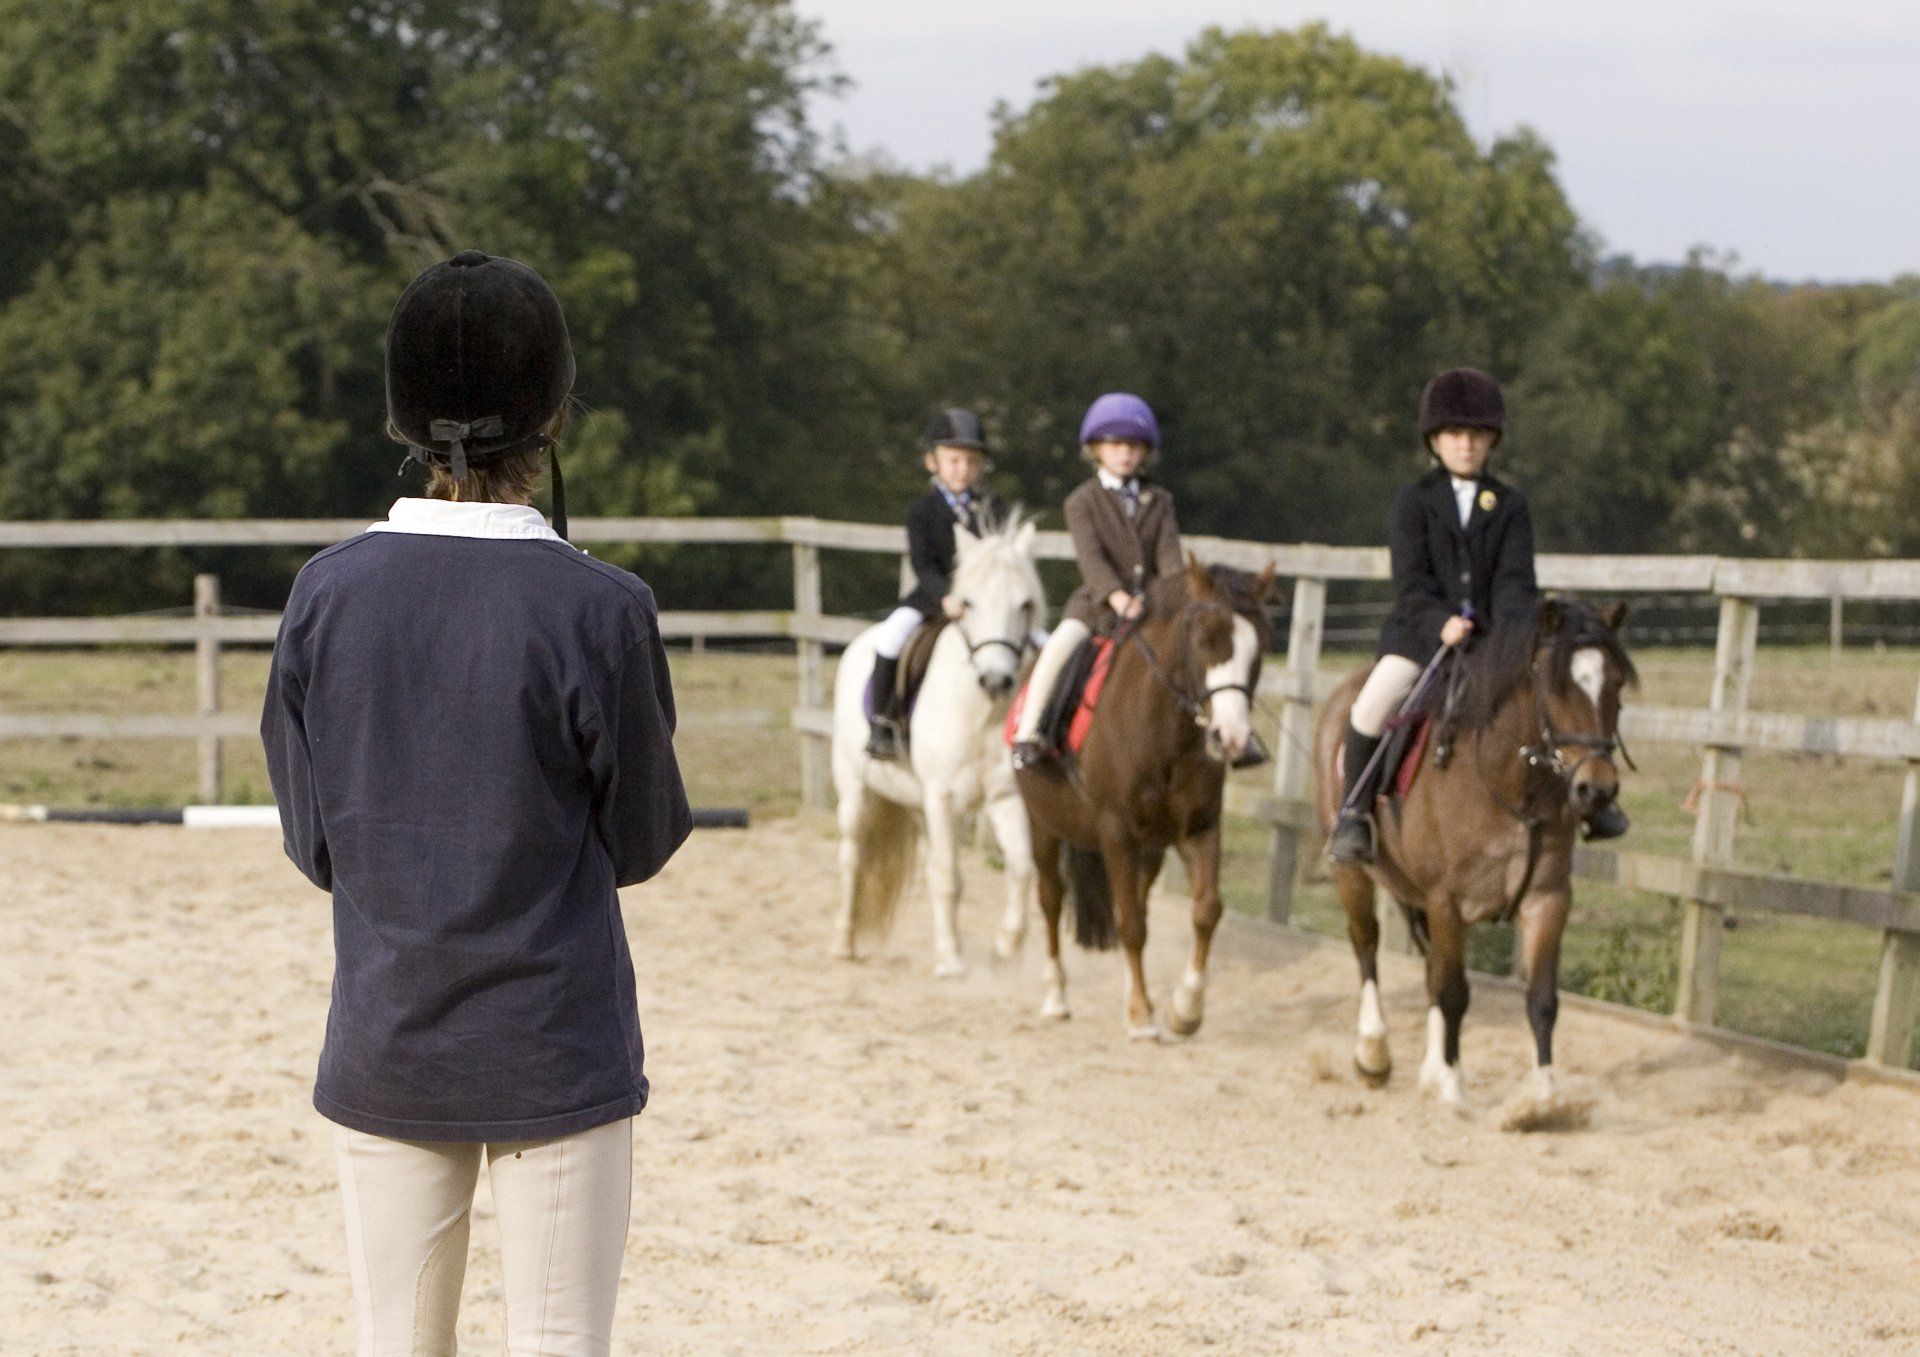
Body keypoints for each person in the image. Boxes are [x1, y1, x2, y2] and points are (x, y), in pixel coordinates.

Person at [261, 249, 692, 1357]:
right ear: (551, 418)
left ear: (406, 419)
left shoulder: (326, 593)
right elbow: (643, 839)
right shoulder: (603, 605)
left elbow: (315, 841)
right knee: (559, 1339)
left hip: (390, 1032)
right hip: (558, 1039)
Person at [1329, 366, 1627, 863]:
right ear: (1435, 440)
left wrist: (1507, 633)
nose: (1465, 445)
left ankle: (1594, 803)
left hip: (1493, 643)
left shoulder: (1510, 506)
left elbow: (1516, 583)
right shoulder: (1413, 501)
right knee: (1370, 706)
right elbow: (1410, 584)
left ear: (1491, 440)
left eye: (1477, 435)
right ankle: (1354, 813)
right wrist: (1440, 622)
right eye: (1454, 434)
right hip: (1420, 639)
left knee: (1559, 702)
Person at [1010, 392, 1181, 769]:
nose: (1126, 454)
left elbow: (1169, 560)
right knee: (1057, 650)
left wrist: (1169, 596)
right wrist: (1117, 597)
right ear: (1096, 449)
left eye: (1134, 446)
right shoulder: (1081, 501)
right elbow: (1092, 559)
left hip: (1150, 607)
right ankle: (1030, 732)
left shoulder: (1161, 501)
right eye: (1117, 445)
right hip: (1096, 607)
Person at [865, 407, 1006, 760]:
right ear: (934, 462)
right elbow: (922, 563)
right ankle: (882, 723)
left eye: (972, 461)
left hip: (984, 603)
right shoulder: (921, 510)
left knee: (1037, 642)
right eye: (954, 460)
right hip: (932, 597)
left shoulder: (993, 507)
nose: (963, 469)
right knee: (890, 636)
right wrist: (945, 597)